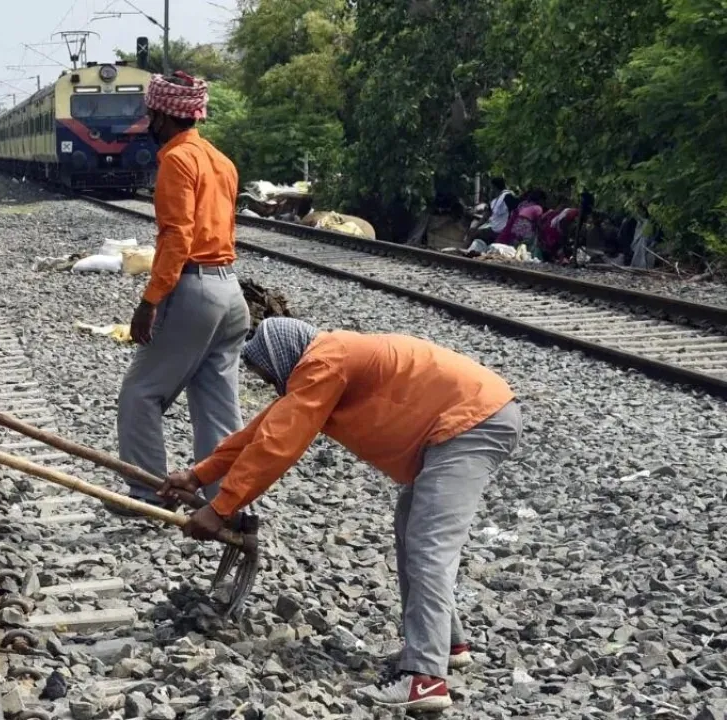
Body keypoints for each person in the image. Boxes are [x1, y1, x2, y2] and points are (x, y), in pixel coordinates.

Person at [161, 318, 521, 713]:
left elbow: (278, 446)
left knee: (429, 546)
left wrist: (221, 507)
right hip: (465, 420)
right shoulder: (323, 361)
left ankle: (425, 679)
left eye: (268, 376)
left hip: (471, 423)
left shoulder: (324, 362)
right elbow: (262, 431)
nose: (270, 385)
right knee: (412, 532)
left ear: (282, 360)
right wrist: (199, 475)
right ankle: (447, 644)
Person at [111, 71, 250, 515]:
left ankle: (147, 494)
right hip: (231, 292)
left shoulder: (176, 159)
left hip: (195, 290)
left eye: (151, 113)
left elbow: (177, 238)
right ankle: (229, 501)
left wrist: (149, 302)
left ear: (162, 116)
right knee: (217, 404)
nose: (148, 121)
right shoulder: (220, 160)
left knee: (141, 393)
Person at [463, 177, 513, 245]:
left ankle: (464, 250)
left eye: (492, 187)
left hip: (501, 230)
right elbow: (485, 217)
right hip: (494, 228)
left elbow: (514, 213)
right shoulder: (494, 201)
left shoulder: (508, 197)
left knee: (475, 234)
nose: (491, 190)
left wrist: (475, 229)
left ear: (495, 187)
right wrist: (474, 228)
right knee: (474, 232)